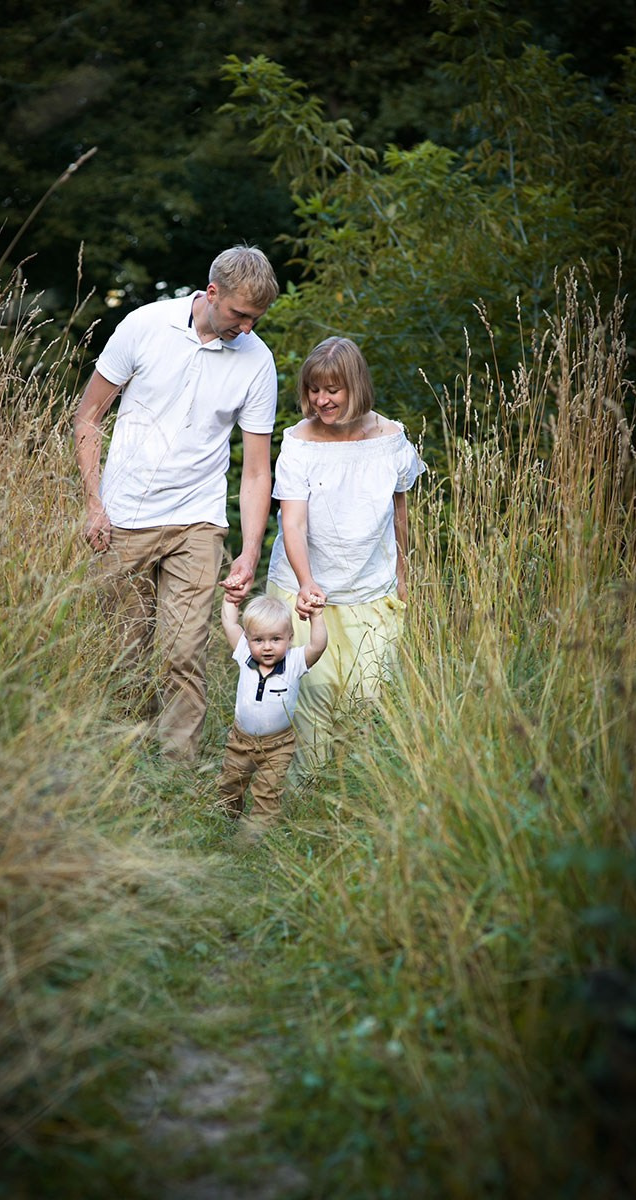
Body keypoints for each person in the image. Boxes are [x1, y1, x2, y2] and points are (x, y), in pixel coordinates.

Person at [73, 245, 280, 761]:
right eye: (240, 315)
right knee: (122, 649)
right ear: (211, 293)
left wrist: (249, 551)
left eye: (256, 319)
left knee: (183, 652)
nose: (247, 328)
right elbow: (88, 418)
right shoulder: (144, 326)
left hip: (197, 520)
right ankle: (121, 759)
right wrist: (95, 504)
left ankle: (176, 771)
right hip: (125, 517)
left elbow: (257, 470)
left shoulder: (257, 360)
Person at [266, 336, 426, 771]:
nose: (321, 400)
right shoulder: (299, 443)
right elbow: (293, 524)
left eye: (332, 390)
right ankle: (306, 789)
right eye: (314, 389)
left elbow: (400, 514)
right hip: (306, 593)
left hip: (371, 589)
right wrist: (306, 583)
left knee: (368, 695)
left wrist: (405, 575)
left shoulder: (391, 439)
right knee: (312, 696)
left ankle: (352, 790)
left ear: (355, 386)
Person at [216, 593, 327, 837]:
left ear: (290, 637)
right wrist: (230, 599)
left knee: (268, 791)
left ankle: (254, 836)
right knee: (230, 785)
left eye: (276, 639)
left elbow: (318, 646)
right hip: (240, 741)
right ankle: (224, 825)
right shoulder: (245, 654)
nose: (267, 647)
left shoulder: (294, 662)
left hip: (278, 745)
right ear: (248, 639)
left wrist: (317, 616)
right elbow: (230, 624)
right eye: (258, 640)